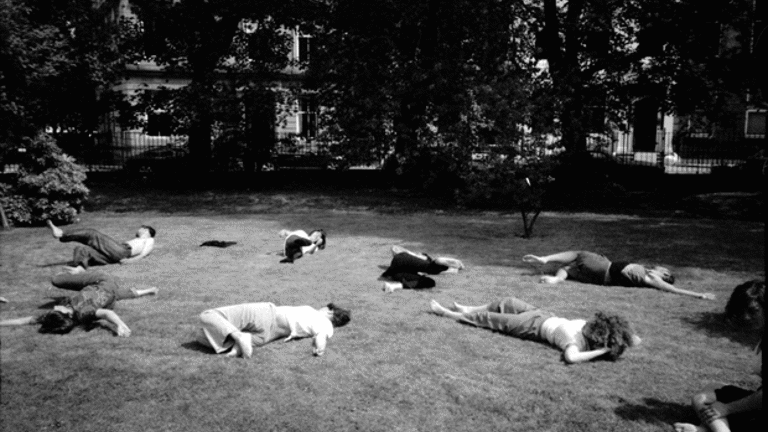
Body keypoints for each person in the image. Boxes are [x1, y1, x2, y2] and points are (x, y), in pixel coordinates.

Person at [429, 297, 641, 364]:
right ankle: (468, 308)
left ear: (595, 337)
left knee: (487, 319)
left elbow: (572, 358)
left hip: (529, 327)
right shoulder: (590, 330)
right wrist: (623, 339)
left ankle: (446, 313)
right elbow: (632, 338)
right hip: (541, 315)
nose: (588, 323)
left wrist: (603, 352)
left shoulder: (576, 342)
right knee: (507, 301)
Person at [0, 271, 158, 337]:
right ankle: (146, 291)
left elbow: (26, 320)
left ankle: (79, 270)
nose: (55, 307)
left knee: (57, 280)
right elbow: (107, 314)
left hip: (100, 280)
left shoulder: (78, 313)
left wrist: (120, 325)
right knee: (114, 296)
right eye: (58, 309)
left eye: (57, 308)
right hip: (107, 290)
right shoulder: (74, 314)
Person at [522, 251, 715, 300]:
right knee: (570, 267)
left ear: (664, 274)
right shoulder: (646, 274)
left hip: (606, 268)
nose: (660, 266)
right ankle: (556, 278)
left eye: (663, 269)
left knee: (579, 253)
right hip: (602, 279)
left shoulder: (652, 278)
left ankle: (545, 259)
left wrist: (698, 294)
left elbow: (672, 289)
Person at [196, 302, 351, 357]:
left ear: (330, 311)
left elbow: (322, 337)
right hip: (268, 336)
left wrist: (321, 347)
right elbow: (321, 337)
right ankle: (237, 347)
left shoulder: (320, 317)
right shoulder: (326, 327)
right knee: (201, 338)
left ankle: (238, 337)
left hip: (265, 314)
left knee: (208, 315)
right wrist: (320, 349)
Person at [47, 220, 156, 272]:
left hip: (123, 251)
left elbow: (144, 254)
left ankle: (61, 234)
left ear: (146, 230)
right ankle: (80, 267)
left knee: (92, 233)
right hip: (116, 254)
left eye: (141, 228)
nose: (138, 229)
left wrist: (130, 261)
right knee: (82, 249)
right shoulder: (139, 239)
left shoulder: (149, 239)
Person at [381, 246, 464, 293]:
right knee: (429, 274)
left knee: (428, 277)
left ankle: (394, 286)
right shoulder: (425, 258)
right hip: (403, 263)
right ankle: (394, 286)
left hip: (399, 267)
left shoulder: (423, 259)